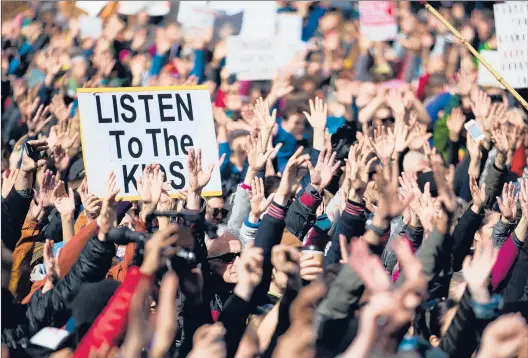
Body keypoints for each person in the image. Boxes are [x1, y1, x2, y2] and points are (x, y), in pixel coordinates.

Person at [2, 1, 528, 358]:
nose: (241, 258)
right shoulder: (182, 304)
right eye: (231, 259)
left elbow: (297, 257)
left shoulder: (218, 306)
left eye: (239, 260)